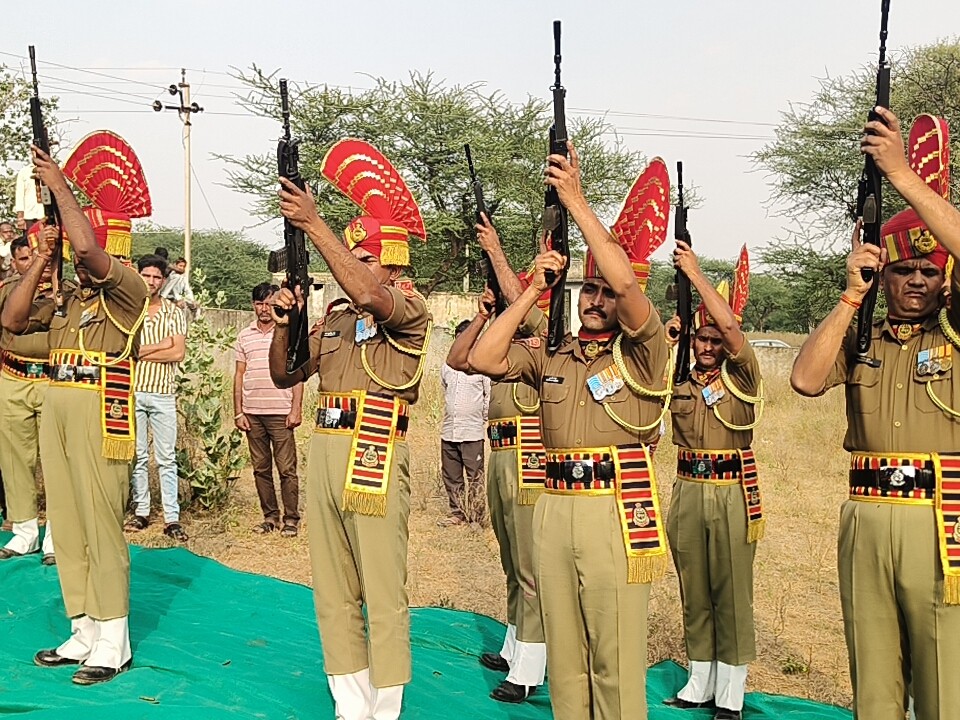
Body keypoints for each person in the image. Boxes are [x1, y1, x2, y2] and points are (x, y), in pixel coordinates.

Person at [469, 148, 672, 720]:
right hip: (554, 506)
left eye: (607, 291)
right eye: (590, 289)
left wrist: (576, 201)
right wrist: (535, 289)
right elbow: (484, 357)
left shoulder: (646, 350)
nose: (597, 298)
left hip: (615, 506)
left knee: (613, 657)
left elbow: (630, 286)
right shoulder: (554, 353)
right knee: (566, 658)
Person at [791, 110, 960, 720]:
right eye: (902, 269)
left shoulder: (955, 331)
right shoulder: (865, 335)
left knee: (947, 684)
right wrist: (850, 295)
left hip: (942, 521)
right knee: (875, 685)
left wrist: (902, 175)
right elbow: (807, 378)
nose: (916, 281)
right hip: (865, 517)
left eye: (928, 270)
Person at [269, 139, 432, 720]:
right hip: (327, 450)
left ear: (389, 264)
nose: (353, 267)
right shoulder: (337, 319)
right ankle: (350, 701)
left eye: (363, 256)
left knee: (383, 587)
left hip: (376, 450)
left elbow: (367, 291)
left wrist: (313, 223)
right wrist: (287, 323)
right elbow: (287, 374)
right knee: (333, 585)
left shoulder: (408, 311)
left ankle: (385, 706)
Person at [2, 131, 152, 685]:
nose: (80, 260)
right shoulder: (70, 302)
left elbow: (90, 250)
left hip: (99, 410)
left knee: (100, 523)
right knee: (65, 523)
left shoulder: (129, 289)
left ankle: (114, 638)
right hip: (58, 409)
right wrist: (40, 257)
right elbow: (13, 325)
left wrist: (58, 183)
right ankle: (83, 626)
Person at [446, 218, 549, 703]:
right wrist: (484, 314)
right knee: (511, 556)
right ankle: (514, 645)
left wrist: (496, 250)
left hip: (530, 453)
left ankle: (531, 666)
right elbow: (457, 358)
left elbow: (524, 298)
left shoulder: (546, 334)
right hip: (501, 449)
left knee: (530, 564)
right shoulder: (508, 337)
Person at [663, 244, 763, 720]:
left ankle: (731, 691)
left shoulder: (744, 373)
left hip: (730, 491)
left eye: (714, 340)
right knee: (695, 589)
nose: (707, 347)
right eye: (699, 340)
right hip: (686, 489)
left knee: (731, 590)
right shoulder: (678, 374)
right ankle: (699, 677)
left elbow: (731, 330)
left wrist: (696, 274)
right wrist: (671, 339)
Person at [0, 231, 65, 565]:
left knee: (57, 461)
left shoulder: (68, 291)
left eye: (42, 257)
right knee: (14, 460)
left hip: (56, 380)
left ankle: (56, 535)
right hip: (12, 377)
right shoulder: (8, 290)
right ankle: (24, 532)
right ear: (15, 261)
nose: (34, 264)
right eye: (26, 258)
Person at [126, 254, 187, 541]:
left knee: (166, 458)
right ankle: (141, 511)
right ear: (138, 275)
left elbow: (177, 352)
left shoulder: (173, 312)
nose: (151, 282)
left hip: (163, 392)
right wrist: (158, 345)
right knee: (137, 456)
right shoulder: (128, 309)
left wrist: (142, 350)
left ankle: (171, 517)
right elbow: (126, 351)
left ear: (164, 280)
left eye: (156, 277)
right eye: (146, 275)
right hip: (133, 391)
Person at [233, 282, 302, 536]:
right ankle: (270, 517)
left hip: (281, 413)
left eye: (269, 304)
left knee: (286, 469)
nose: (264, 309)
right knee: (261, 469)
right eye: (259, 303)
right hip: (253, 414)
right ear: (253, 305)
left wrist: (296, 408)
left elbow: (298, 375)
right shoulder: (244, 336)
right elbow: (239, 375)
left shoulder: (287, 332)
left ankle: (291, 519)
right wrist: (239, 411)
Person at [438, 319, 490, 526]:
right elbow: (445, 390)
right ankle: (457, 514)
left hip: (472, 432)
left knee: (475, 476)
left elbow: (489, 395)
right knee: (451, 475)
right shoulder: (447, 368)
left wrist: (482, 418)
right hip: (449, 430)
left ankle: (477, 517)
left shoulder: (482, 367)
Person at [14, 163, 44, 233]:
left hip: (46, 214)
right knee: (30, 239)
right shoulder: (24, 172)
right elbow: (19, 195)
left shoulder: (51, 170)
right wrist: (20, 218)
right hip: (29, 216)